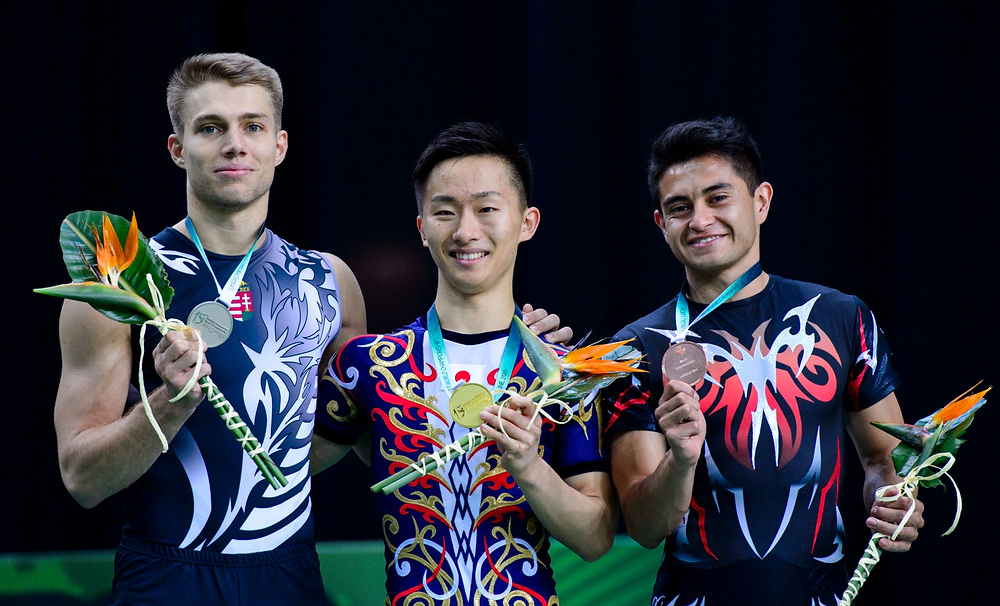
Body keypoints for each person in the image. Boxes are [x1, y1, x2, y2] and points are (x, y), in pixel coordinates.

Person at [51, 53, 566, 605]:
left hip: (288, 578)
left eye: (253, 126)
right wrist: (168, 406)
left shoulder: (331, 283)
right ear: (178, 148)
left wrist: (505, 354)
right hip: (163, 577)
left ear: (280, 145)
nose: (234, 144)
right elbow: (83, 480)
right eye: (210, 128)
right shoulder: (120, 288)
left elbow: (370, 435)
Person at [604, 116, 924, 605]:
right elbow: (646, 527)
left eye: (718, 198)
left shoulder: (841, 317)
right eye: (679, 207)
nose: (700, 220)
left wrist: (894, 499)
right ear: (661, 225)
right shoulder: (634, 348)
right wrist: (682, 459)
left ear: (761, 202)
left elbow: (884, 456)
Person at [311, 122, 618, 604]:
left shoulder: (565, 377)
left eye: (487, 208)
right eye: (445, 212)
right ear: (421, 228)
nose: (465, 231)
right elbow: (280, 471)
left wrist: (529, 467)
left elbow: (596, 536)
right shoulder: (369, 364)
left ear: (527, 222)